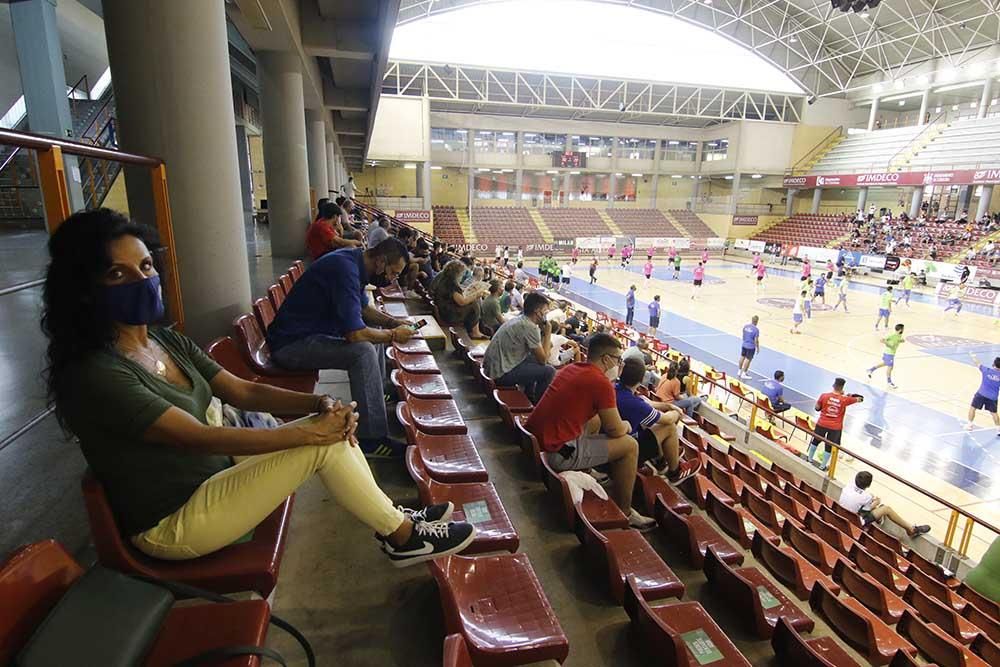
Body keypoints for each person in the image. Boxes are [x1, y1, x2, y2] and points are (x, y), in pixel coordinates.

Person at [42, 209, 475, 568]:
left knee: (327, 427)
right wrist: (310, 430)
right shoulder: (96, 373)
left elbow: (243, 392)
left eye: (146, 266)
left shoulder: (165, 340)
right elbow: (199, 438)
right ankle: (403, 537)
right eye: (119, 273)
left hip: (217, 477)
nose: (141, 279)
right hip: (176, 521)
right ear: (83, 290)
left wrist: (320, 403)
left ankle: (396, 518)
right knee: (320, 441)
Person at [268, 239, 415, 457]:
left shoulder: (352, 262)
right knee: (362, 352)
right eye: (393, 272)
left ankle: (378, 394)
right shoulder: (343, 270)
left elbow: (364, 309)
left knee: (372, 330)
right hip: (291, 345)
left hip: (307, 335)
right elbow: (355, 334)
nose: (392, 278)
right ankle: (371, 438)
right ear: (381, 262)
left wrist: (392, 322)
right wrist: (394, 335)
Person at [525, 333, 655, 529]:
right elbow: (616, 429)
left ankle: (585, 468)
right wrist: (627, 425)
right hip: (558, 453)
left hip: (539, 441)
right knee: (630, 445)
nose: (619, 365)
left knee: (594, 419)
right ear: (606, 359)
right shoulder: (600, 382)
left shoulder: (572, 368)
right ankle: (625, 513)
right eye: (618, 360)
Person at [616, 358, 701, 483]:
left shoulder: (617, 389)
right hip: (629, 450)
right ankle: (675, 472)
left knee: (650, 423)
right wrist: (676, 412)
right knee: (669, 427)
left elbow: (647, 402)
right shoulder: (633, 403)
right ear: (640, 380)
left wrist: (668, 406)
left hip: (621, 442)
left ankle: (660, 461)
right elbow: (666, 419)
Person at [483, 292, 555, 404]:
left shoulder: (520, 319)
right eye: (545, 311)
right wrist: (548, 332)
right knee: (549, 371)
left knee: (533, 359)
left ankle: (529, 395)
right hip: (500, 374)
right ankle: (538, 406)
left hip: (492, 367)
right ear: (537, 312)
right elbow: (544, 359)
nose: (546, 314)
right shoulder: (530, 327)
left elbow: (539, 356)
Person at [839, 472, 930, 537]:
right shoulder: (867, 496)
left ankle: (879, 518)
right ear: (869, 485)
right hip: (854, 521)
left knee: (878, 508)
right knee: (886, 509)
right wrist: (875, 503)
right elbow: (865, 512)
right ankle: (911, 529)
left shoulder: (848, 486)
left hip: (841, 516)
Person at [805, 377, 863, 470]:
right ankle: (822, 466)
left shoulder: (824, 396)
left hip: (822, 423)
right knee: (829, 446)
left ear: (833, 385)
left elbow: (817, 408)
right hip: (835, 428)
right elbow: (860, 399)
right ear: (842, 387)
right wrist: (850, 395)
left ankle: (809, 459)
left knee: (815, 441)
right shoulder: (845, 399)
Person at [429, 260, 489, 339]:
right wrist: (476, 295)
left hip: (444, 309)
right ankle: (475, 332)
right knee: (474, 305)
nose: (462, 275)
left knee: (473, 303)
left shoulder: (444, 280)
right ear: (456, 273)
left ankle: (475, 330)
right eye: (461, 273)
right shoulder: (451, 284)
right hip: (448, 314)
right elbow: (461, 302)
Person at [965, 354, 1000, 435]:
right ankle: (998, 430)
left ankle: (969, 425)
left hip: (981, 394)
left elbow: (978, 363)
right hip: (993, 397)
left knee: (973, 408)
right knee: (994, 413)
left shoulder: (986, 370)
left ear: (993, 364)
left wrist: (973, 356)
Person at [867, 323, 904, 389]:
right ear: (900, 329)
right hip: (888, 353)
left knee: (885, 364)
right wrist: (889, 345)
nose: (903, 330)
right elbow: (882, 340)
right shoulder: (893, 335)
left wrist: (900, 341)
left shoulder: (899, 336)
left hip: (891, 354)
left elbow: (896, 341)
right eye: (903, 329)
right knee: (890, 367)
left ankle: (870, 370)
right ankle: (889, 382)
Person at [738, 315, 759, 379]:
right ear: (757, 321)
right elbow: (756, 340)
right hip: (750, 347)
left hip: (744, 344)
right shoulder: (756, 330)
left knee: (742, 357)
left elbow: (743, 334)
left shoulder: (746, 326)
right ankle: (744, 373)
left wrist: (745, 341)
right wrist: (757, 347)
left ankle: (739, 371)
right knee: (748, 360)